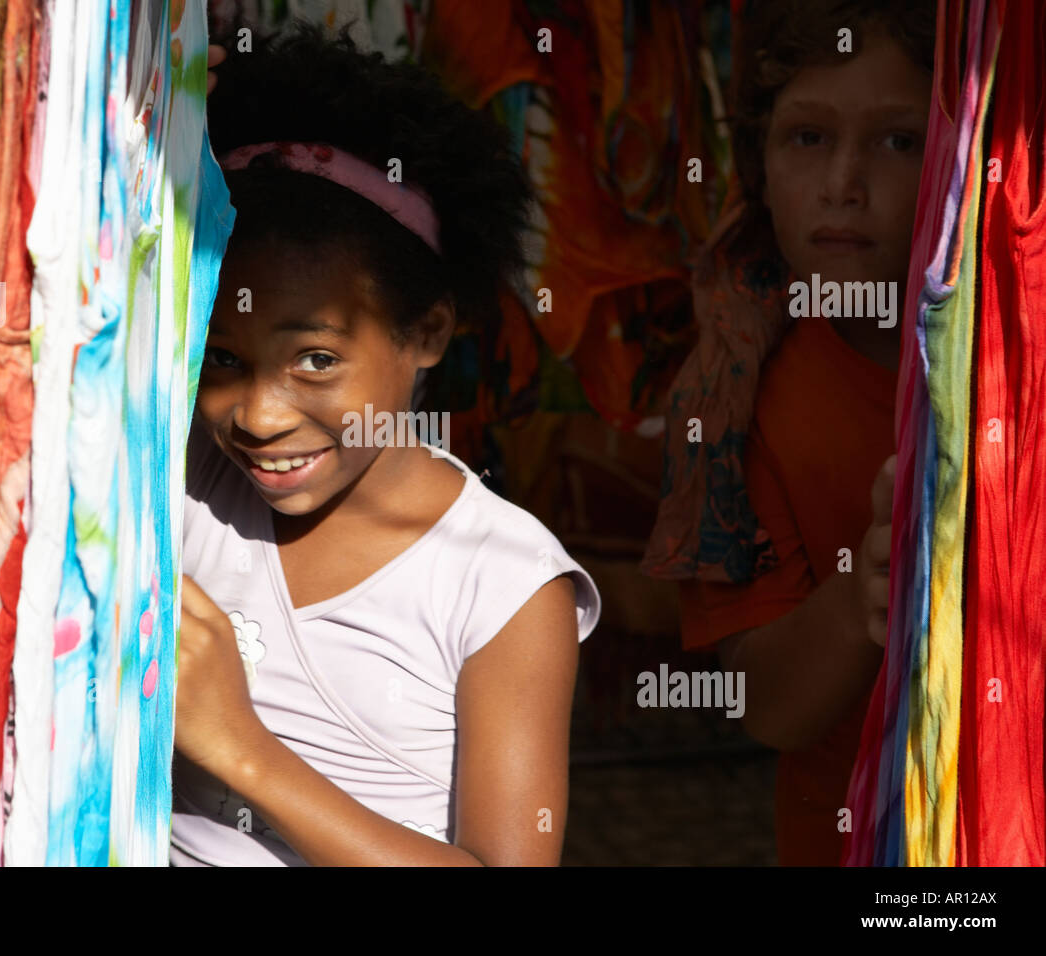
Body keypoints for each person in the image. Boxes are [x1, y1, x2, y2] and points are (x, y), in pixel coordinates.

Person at [169, 22, 601, 866]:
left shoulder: (503, 585)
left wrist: (239, 747)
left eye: (318, 359)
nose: (258, 415)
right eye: (221, 357)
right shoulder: (177, 478)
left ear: (428, 332)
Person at [661, 0, 935, 865]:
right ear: (759, 162)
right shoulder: (729, 403)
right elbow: (766, 707)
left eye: (900, 141)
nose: (845, 183)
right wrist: (871, 592)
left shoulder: (1018, 369)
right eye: (808, 138)